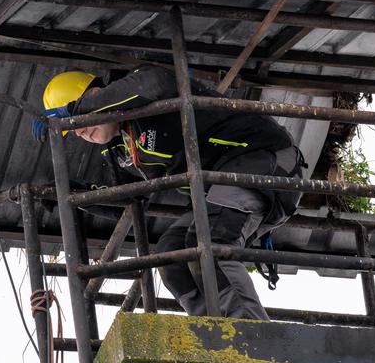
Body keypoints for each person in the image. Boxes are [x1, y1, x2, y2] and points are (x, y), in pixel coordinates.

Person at [37, 64, 304, 320]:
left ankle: (251, 336)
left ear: (97, 94)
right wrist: (75, 197)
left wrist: (73, 110)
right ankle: (218, 332)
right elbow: (132, 201)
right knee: (172, 253)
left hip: (264, 160)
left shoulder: (143, 88)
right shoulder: (121, 150)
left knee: (209, 243)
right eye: (72, 130)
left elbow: (153, 82)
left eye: (77, 121)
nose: (80, 132)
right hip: (219, 188)